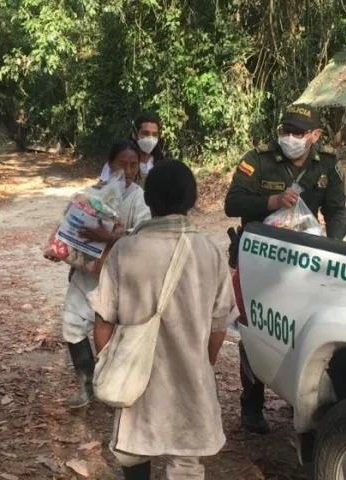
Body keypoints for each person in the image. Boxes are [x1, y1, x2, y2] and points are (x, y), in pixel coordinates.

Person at [90, 160, 237, 480]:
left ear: (147, 199)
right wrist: (202, 366)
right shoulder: (210, 253)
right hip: (192, 379)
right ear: (192, 200)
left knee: (133, 452)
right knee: (187, 462)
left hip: (135, 377)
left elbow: (103, 324)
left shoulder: (125, 251)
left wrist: (106, 368)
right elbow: (218, 327)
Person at [224, 103, 346, 434]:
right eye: (285, 131)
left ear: (315, 136)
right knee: (255, 328)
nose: (289, 138)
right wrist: (271, 203)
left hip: (306, 262)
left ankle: (299, 397)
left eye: (297, 133)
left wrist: (332, 245)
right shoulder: (259, 159)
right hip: (258, 261)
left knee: (300, 327)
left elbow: (337, 212)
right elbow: (232, 203)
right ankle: (252, 407)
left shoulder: (328, 163)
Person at [63, 139, 152, 409]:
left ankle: (115, 384)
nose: (127, 170)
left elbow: (145, 236)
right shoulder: (92, 193)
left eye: (133, 165)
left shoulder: (140, 198)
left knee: (115, 332)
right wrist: (60, 248)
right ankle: (86, 382)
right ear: (109, 164)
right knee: (71, 323)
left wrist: (111, 237)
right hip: (87, 273)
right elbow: (69, 226)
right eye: (121, 164)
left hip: (120, 276)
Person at [101, 112, 165, 185]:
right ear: (134, 134)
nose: (150, 138)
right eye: (145, 133)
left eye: (155, 135)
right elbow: (104, 189)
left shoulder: (160, 163)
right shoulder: (118, 161)